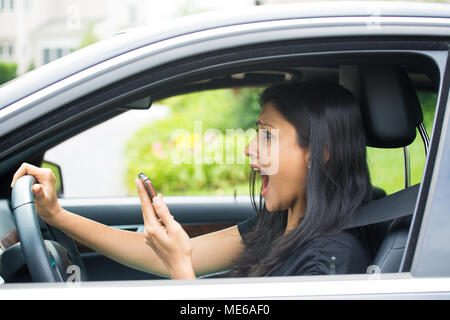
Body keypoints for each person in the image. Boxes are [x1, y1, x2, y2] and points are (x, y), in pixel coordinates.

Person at [10, 81, 373, 280]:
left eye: (267, 135)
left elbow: (183, 263)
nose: (248, 149)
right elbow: (157, 256)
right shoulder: (278, 226)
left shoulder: (331, 262)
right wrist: (57, 215)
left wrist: (182, 270)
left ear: (321, 151)